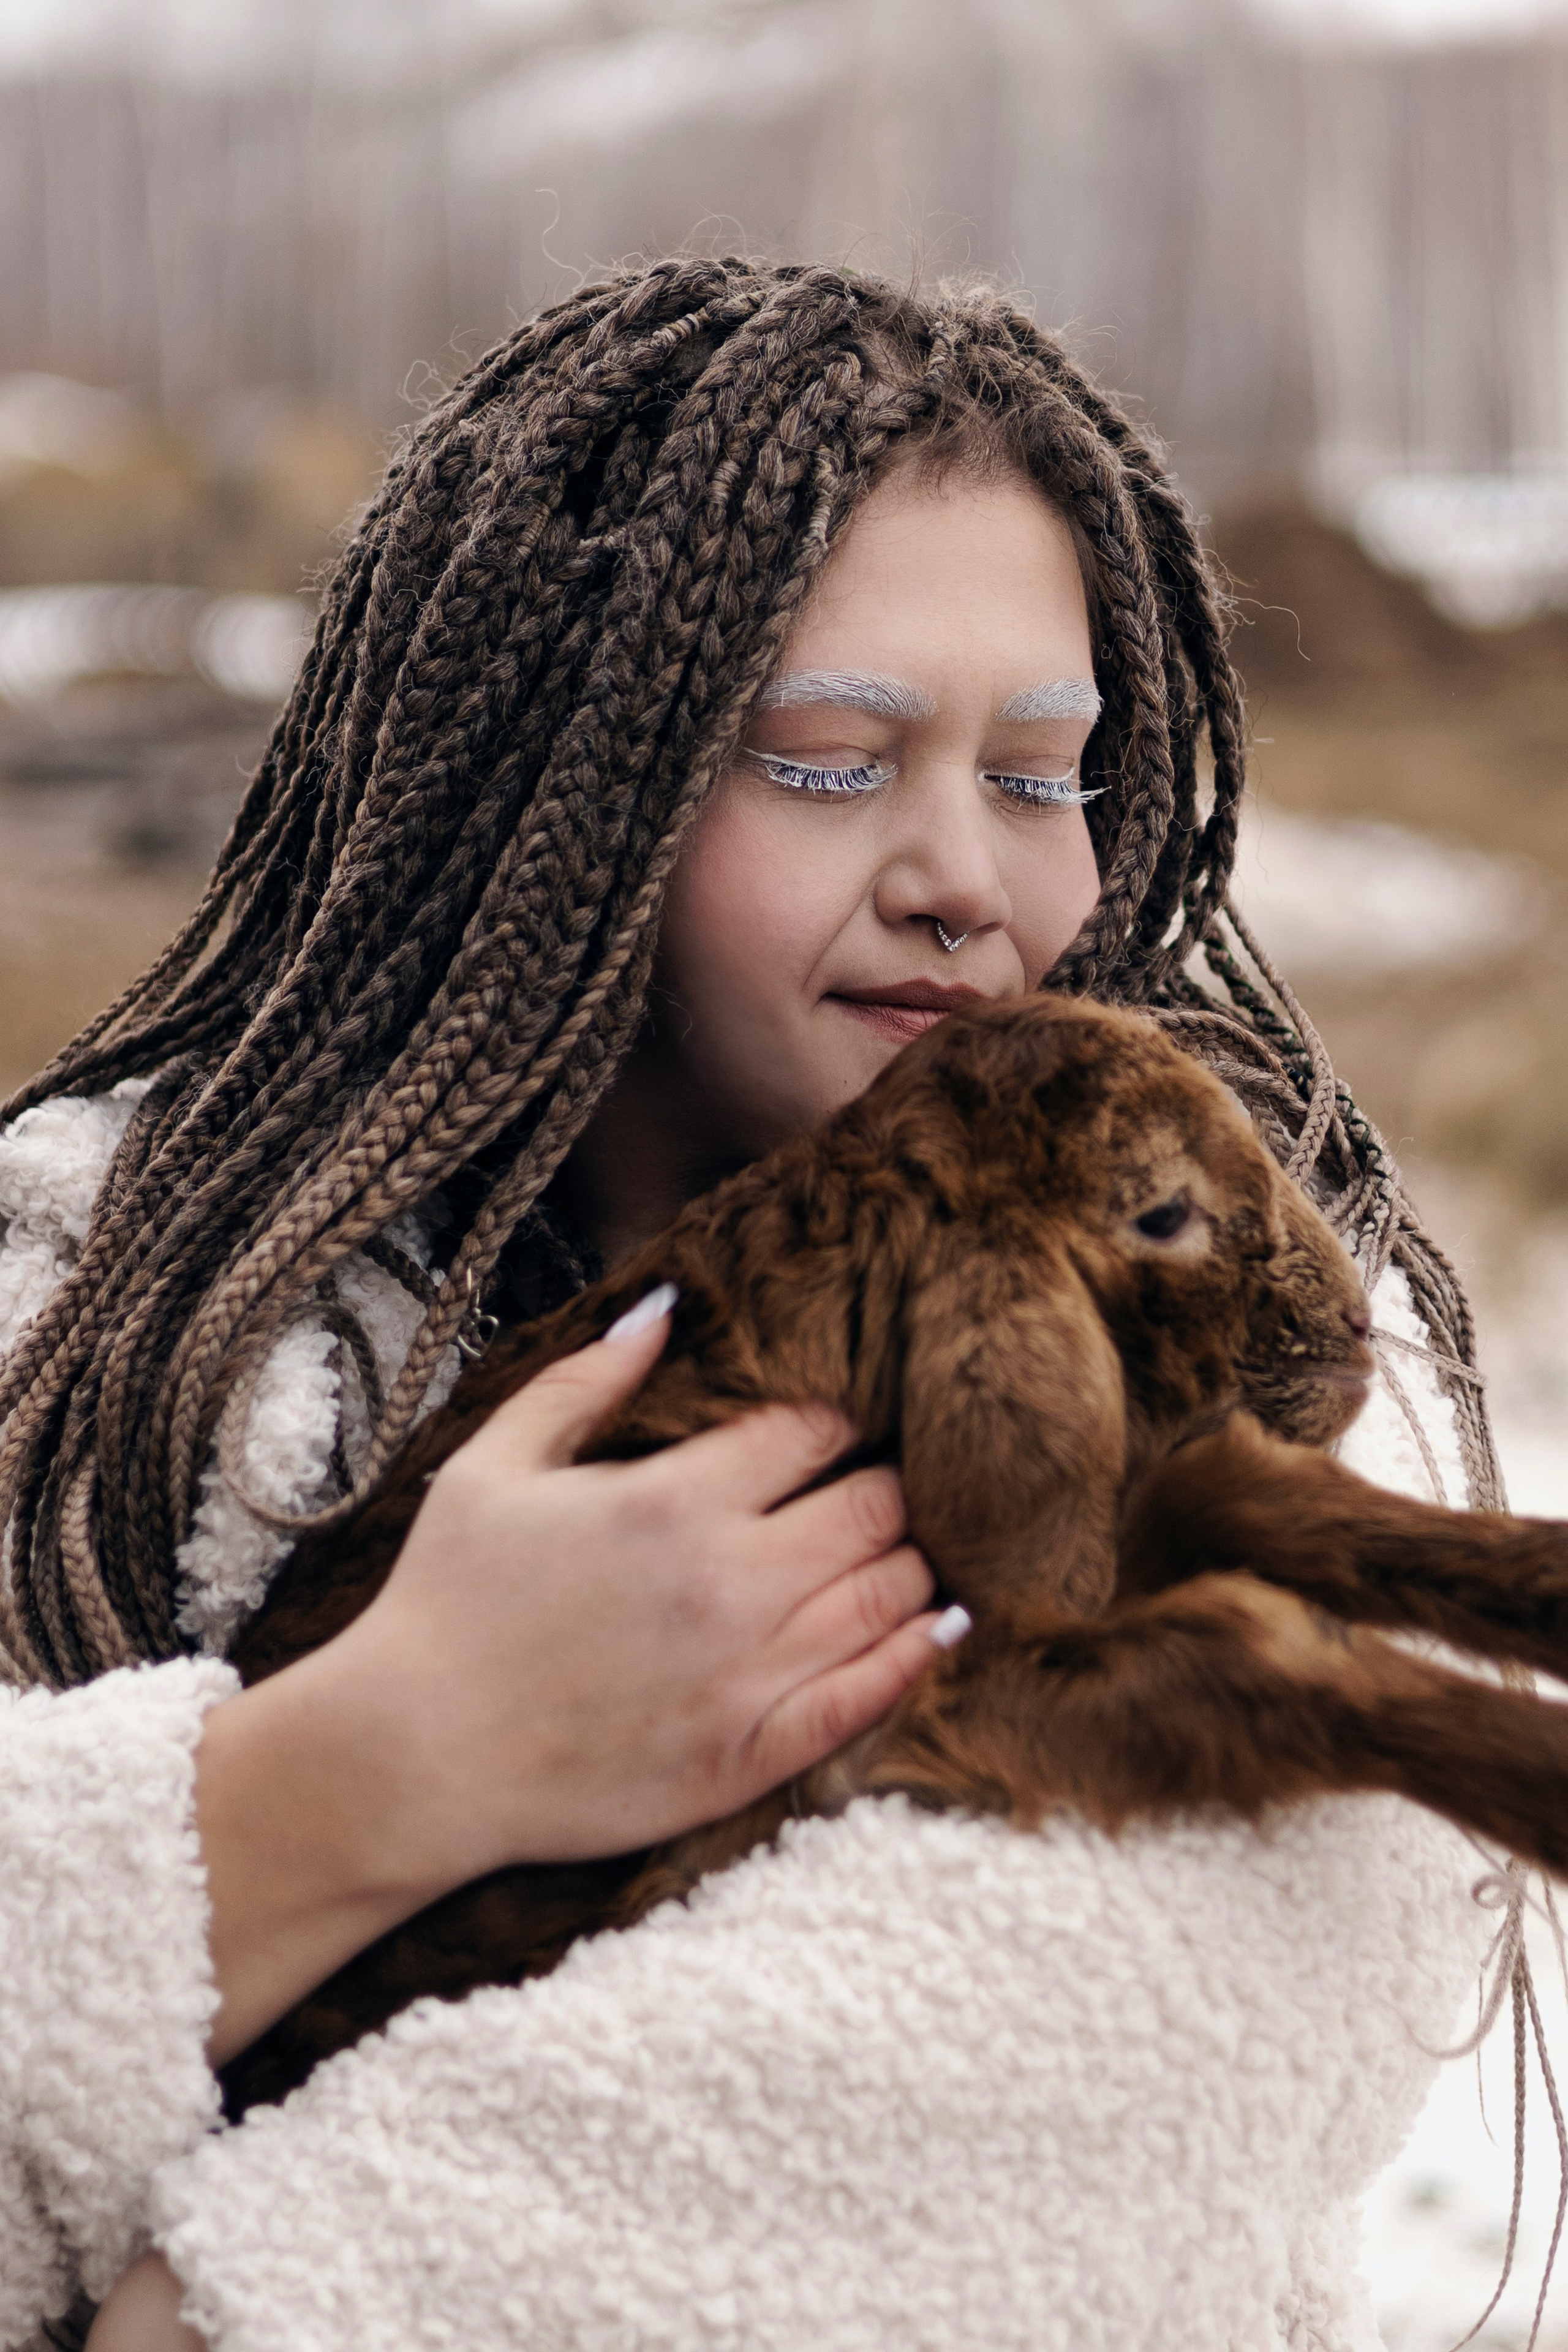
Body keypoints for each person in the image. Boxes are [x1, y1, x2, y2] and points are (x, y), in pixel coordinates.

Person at [0, 259, 1500, 2352]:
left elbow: (1034, 2034)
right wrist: (369, 1766)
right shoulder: (107, 1343)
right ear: (545, 787)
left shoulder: (1231, 1335)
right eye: (823, 760)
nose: (965, 875)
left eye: (1043, 771)